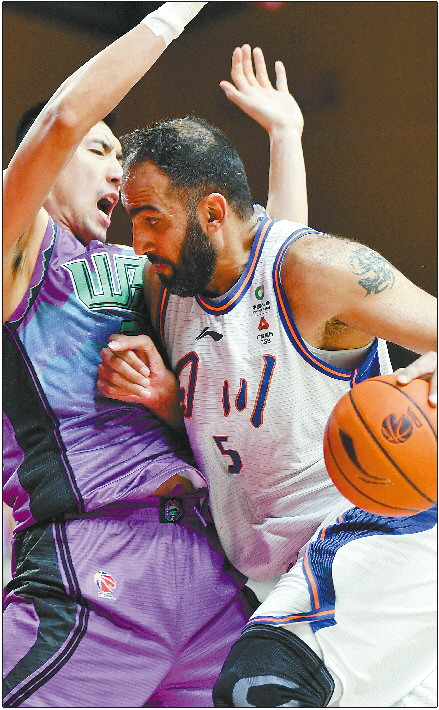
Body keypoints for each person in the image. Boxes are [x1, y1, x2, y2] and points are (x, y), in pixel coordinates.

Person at [96, 49, 437, 705]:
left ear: (212, 213)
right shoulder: (170, 290)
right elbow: (249, 354)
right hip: (276, 571)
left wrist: (424, 390)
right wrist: (167, 402)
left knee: (261, 685)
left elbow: (286, 261)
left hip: (373, 529)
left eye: (150, 219)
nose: (137, 241)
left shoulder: (320, 271)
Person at [3, 7, 311, 704]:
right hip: (95, 561)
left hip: (210, 569)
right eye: (98, 149)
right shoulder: (19, 254)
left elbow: (267, 297)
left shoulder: (143, 267)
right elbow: (61, 120)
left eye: (120, 157)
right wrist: (175, 11)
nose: (116, 169)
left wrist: (286, 136)